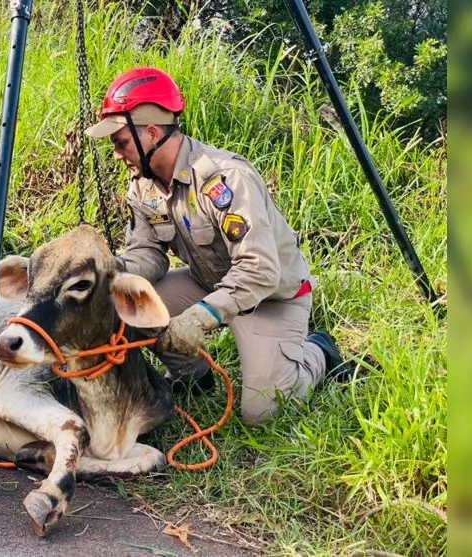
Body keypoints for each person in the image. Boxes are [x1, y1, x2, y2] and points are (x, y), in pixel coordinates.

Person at [85, 67, 351, 425]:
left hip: (271, 296)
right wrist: (111, 272)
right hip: (208, 282)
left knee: (263, 413)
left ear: (150, 132)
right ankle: (192, 376)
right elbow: (148, 253)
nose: (117, 154)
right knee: (124, 302)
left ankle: (318, 352)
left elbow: (260, 270)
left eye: (121, 142)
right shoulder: (143, 186)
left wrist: (201, 317)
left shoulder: (225, 177)